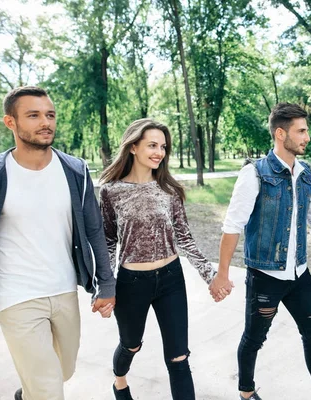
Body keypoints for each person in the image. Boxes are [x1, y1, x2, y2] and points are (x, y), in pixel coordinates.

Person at [0, 86, 116, 400]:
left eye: (49, 114)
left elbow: (93, 230)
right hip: (16, 295)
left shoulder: (74, 171)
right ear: (11, 122)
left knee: (63, 371)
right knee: (49, 389)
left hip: (63, 289)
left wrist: (106, 283)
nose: (44, 122)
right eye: (33, 115)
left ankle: (29, 394)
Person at [210, 103, 311, 400]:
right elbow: (233, 225)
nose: (307, 137)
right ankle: (246, 392)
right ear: (280, 133)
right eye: (301, 131)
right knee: (254, 338)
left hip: (299, 274)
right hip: (265, 275)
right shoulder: (255, 174)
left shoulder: (305, 173)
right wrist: (222, 274)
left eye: (307, 130)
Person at [99, 118, 230, 400]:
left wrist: (211, 275)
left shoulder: (169, 190)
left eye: (163, 147)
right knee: (131, 345)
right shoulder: (111, 191)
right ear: (133, 147)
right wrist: (106, 287)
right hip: (131, 282)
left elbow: (185, 237)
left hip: (171, 279)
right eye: (152, 145)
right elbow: (108, 241)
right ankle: (119, 381)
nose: (159, 152)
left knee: (179, 357)